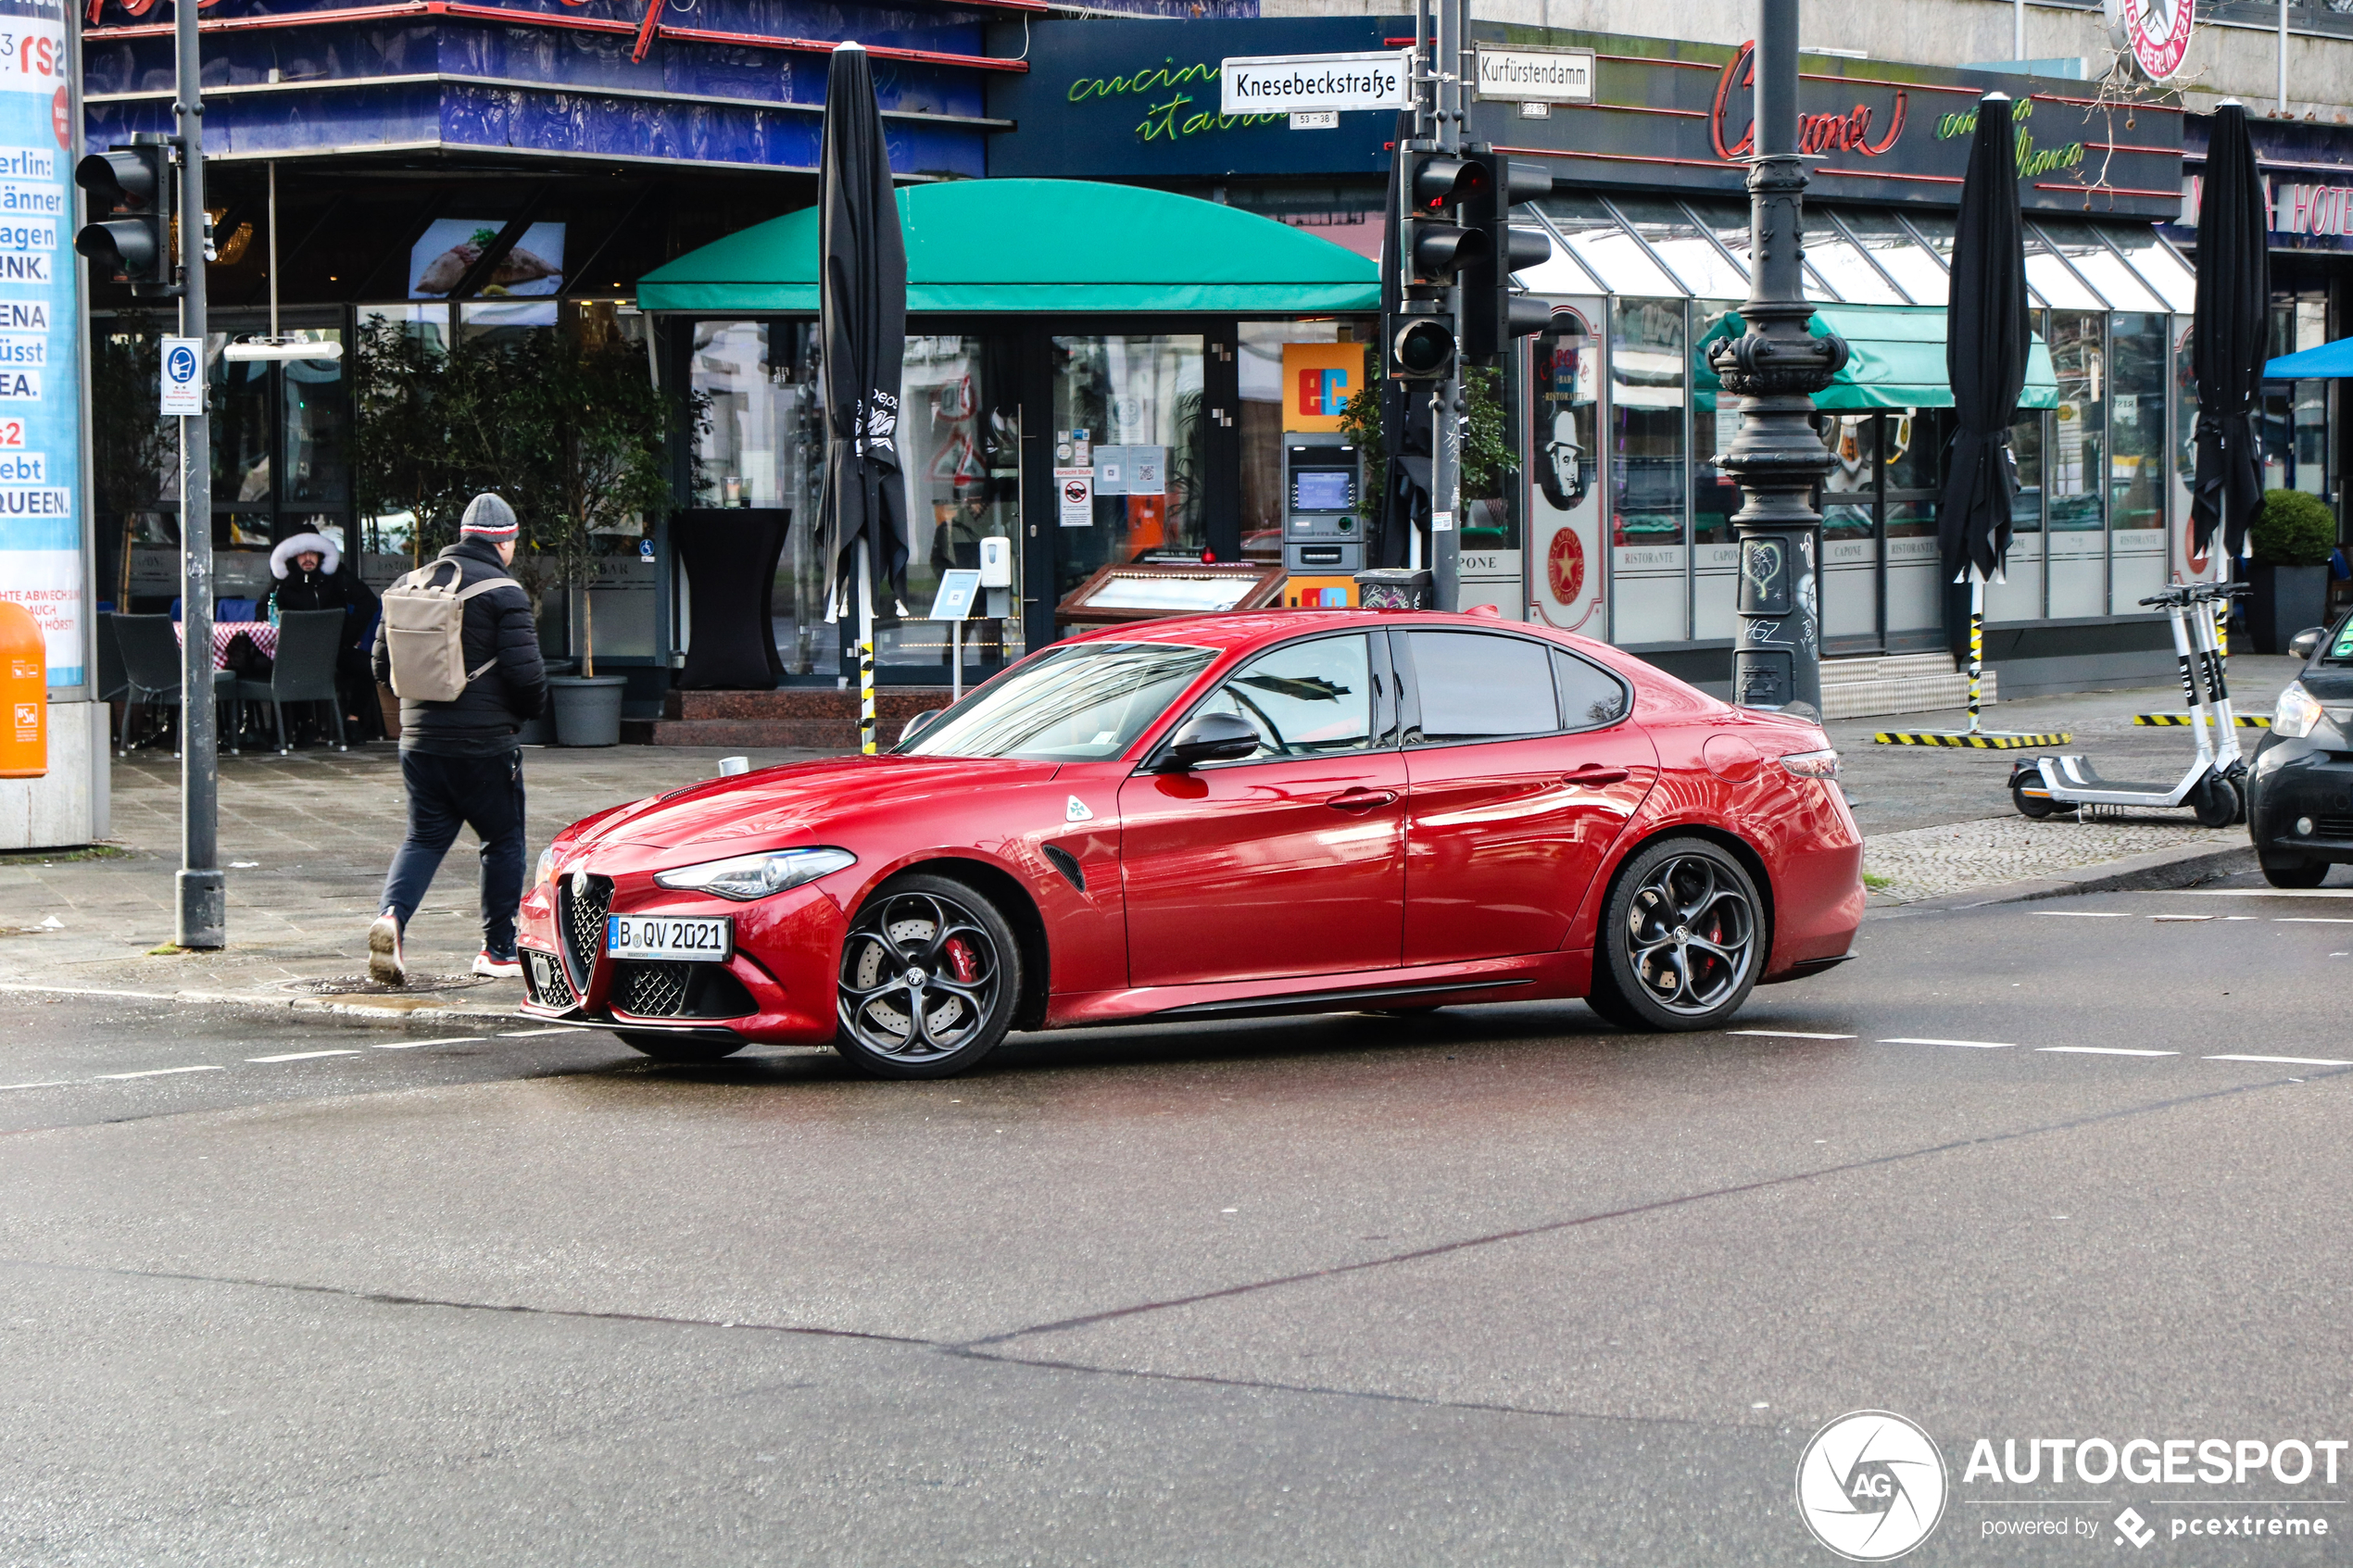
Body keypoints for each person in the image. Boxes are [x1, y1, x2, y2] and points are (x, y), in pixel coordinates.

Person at [367, 495, 547, 985]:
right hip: (484, 744)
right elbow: (527, 677)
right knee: (503, 838)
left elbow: (381, 667)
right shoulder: (505, 592)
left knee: (423, 837)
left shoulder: (410, 583)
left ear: (463, 534)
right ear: (506, 542)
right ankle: (498, 949)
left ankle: (391, 917)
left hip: (419, 741)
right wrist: (525, 717)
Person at [266, 530, 383, 742]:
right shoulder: (284, 582)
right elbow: (263, 611)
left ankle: (353, 719)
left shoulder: (336, 576)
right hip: (298, 654)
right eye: (302, 553)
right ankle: (306, 723)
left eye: (313, 552)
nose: (308, 558)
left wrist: (347, 635)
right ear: (293, 555)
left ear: (321, 555)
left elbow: (368, 602)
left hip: (335, 651)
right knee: (288, 667)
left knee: (369, 665)